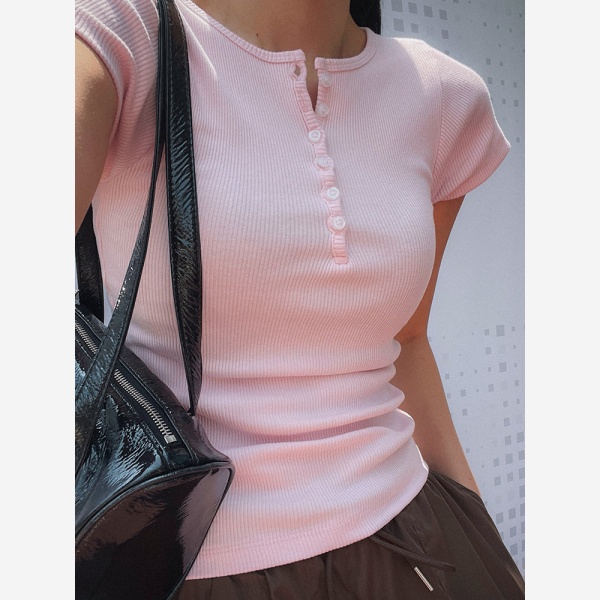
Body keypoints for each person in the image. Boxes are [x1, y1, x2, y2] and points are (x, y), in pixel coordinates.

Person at [75, 0, 525, 597]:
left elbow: (409, 342)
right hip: (191, 564)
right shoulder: (119, 34)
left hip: (417, 536)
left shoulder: (442, 96)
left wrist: (480, 534)